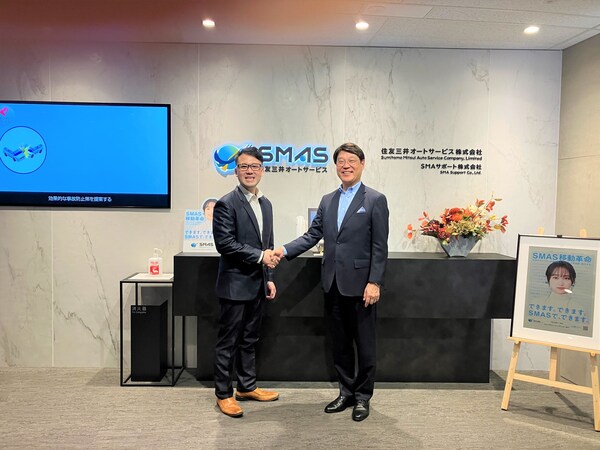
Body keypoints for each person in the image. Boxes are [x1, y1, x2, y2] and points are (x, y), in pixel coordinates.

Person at [274, 142, 389, 422]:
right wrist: (284, 250)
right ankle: (346, 392)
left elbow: (379, 246)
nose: (346, 166)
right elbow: (312, 235)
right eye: (341, 161)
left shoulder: (375, 199)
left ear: (362, 164)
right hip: (333, 283)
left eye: (351, 161)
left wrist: (374, 282)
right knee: (340, 343)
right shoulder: (328, 200)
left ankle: (362, 397)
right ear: (335, 166)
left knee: (365, 345)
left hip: (361, 286)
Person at [212, 146, 281, 418]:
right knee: (228, 342)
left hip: (257, 284)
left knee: (250, 339)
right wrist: (261, 257)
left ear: (262, 170)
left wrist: (269, 277)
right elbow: (225, 244)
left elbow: (268, 243)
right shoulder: (226, 203)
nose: (249, 171)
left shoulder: (266, 204)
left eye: (254, 166)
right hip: (234, 285)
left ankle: (246, 386)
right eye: (243, 166)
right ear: (236, 171)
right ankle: (223, 394)